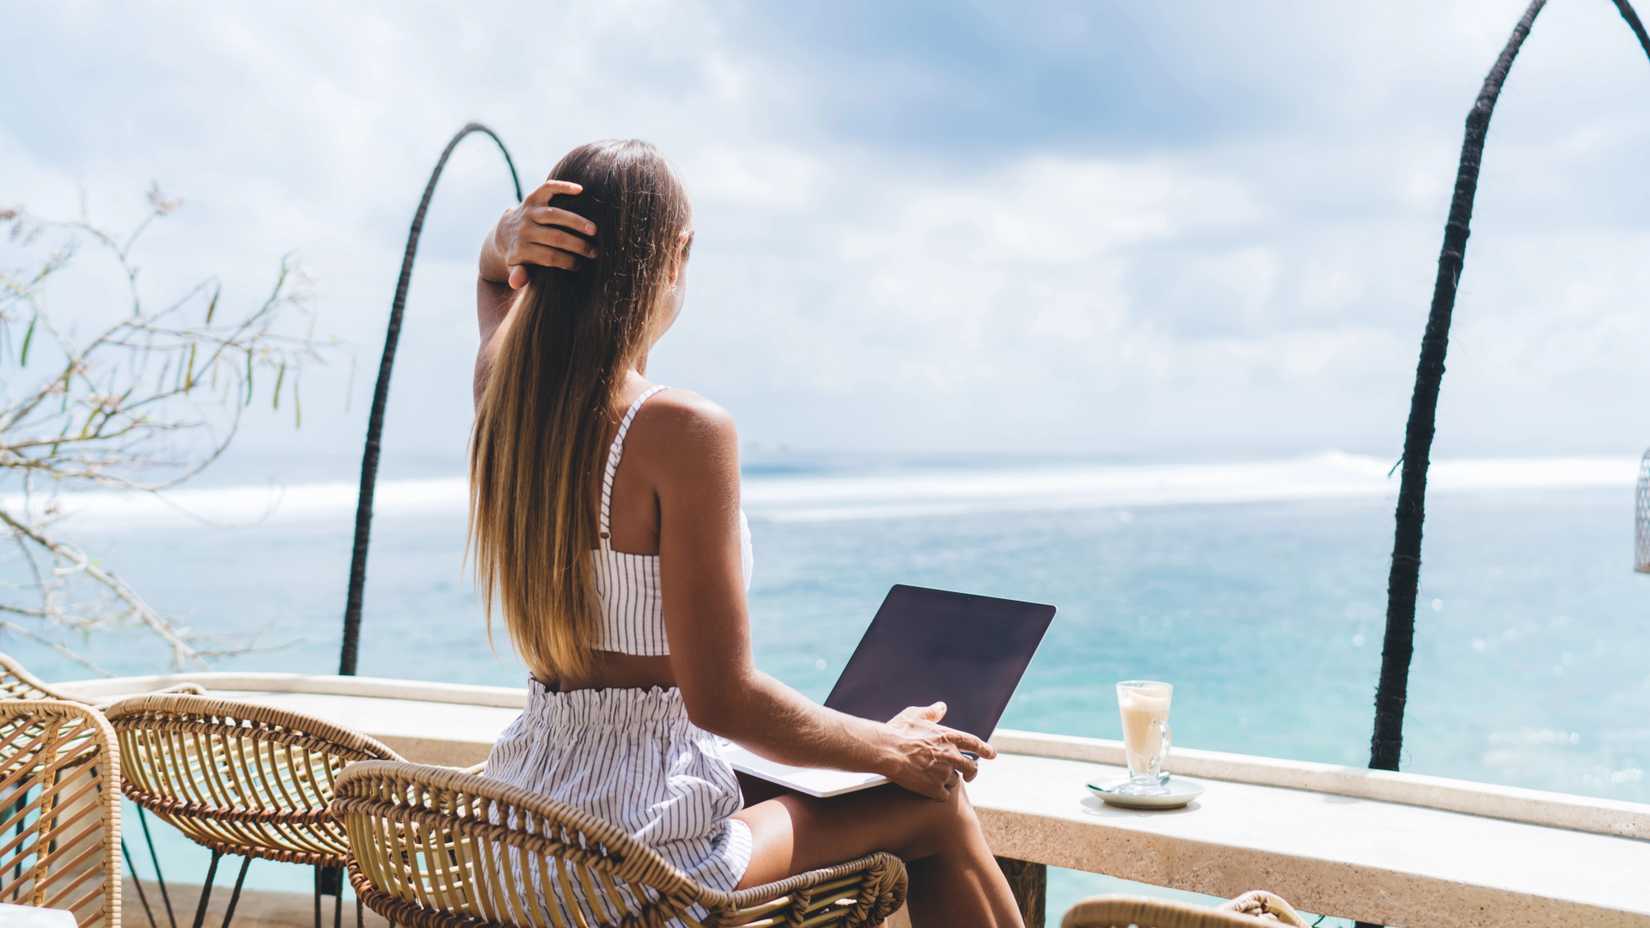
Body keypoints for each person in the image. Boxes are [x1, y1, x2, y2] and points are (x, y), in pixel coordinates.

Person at [469, 138, 1024, 927]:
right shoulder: (678, 428)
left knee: (833, 782)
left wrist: (506, 236)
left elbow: (495, 282)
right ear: (676, 255)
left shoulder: (504, 395)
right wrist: (891, 747)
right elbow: (723, 699)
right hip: (634, 859)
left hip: (521, 831)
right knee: (934, 806)